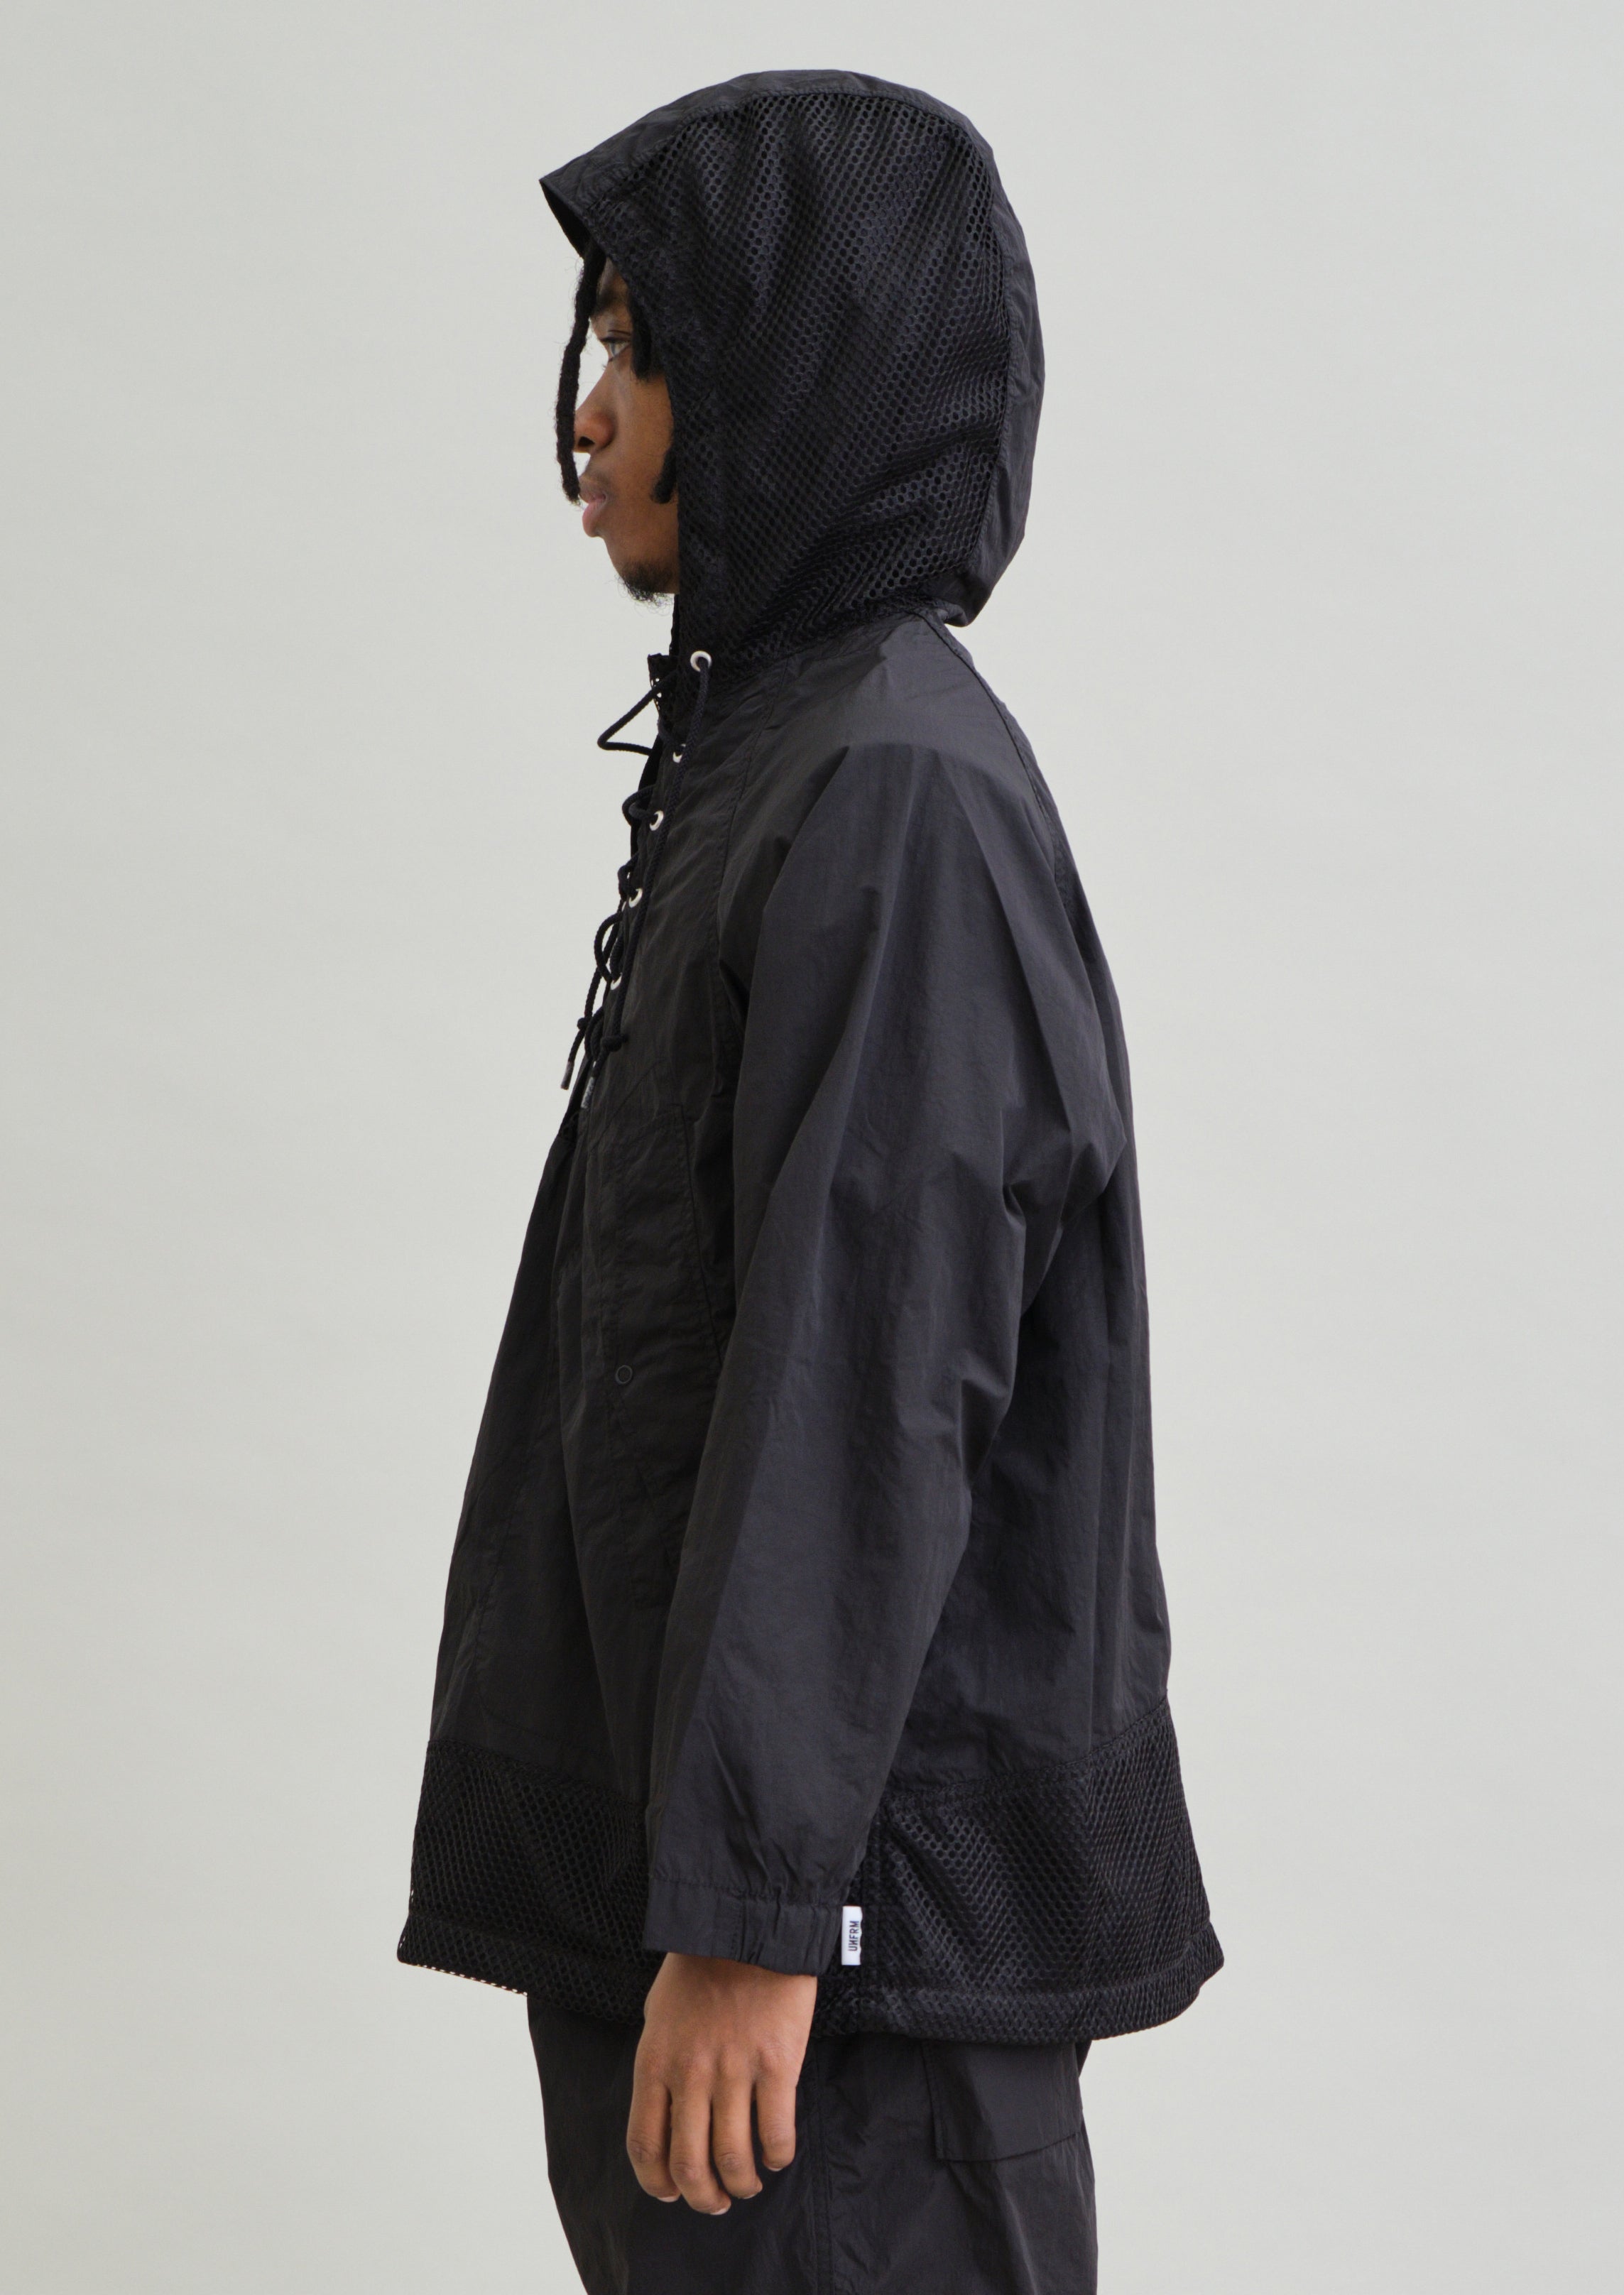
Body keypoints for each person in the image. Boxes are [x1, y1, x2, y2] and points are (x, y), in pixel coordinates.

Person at [399, 67, 1221, 2294]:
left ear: (786, 372)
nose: (590, 413)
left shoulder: (895, 793)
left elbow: (871, 1385)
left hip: (837, 1976)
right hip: (745, 1925)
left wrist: (763, 1915)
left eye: (638, 346)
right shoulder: (783, 767)